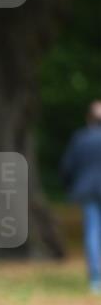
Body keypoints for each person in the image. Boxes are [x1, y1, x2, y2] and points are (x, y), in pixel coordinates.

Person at [60, 100, 101, 294]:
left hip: (87, 191)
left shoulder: (80, 138)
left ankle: (95, 278)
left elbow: (67, 167)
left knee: (92, 231)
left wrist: (68, 187)